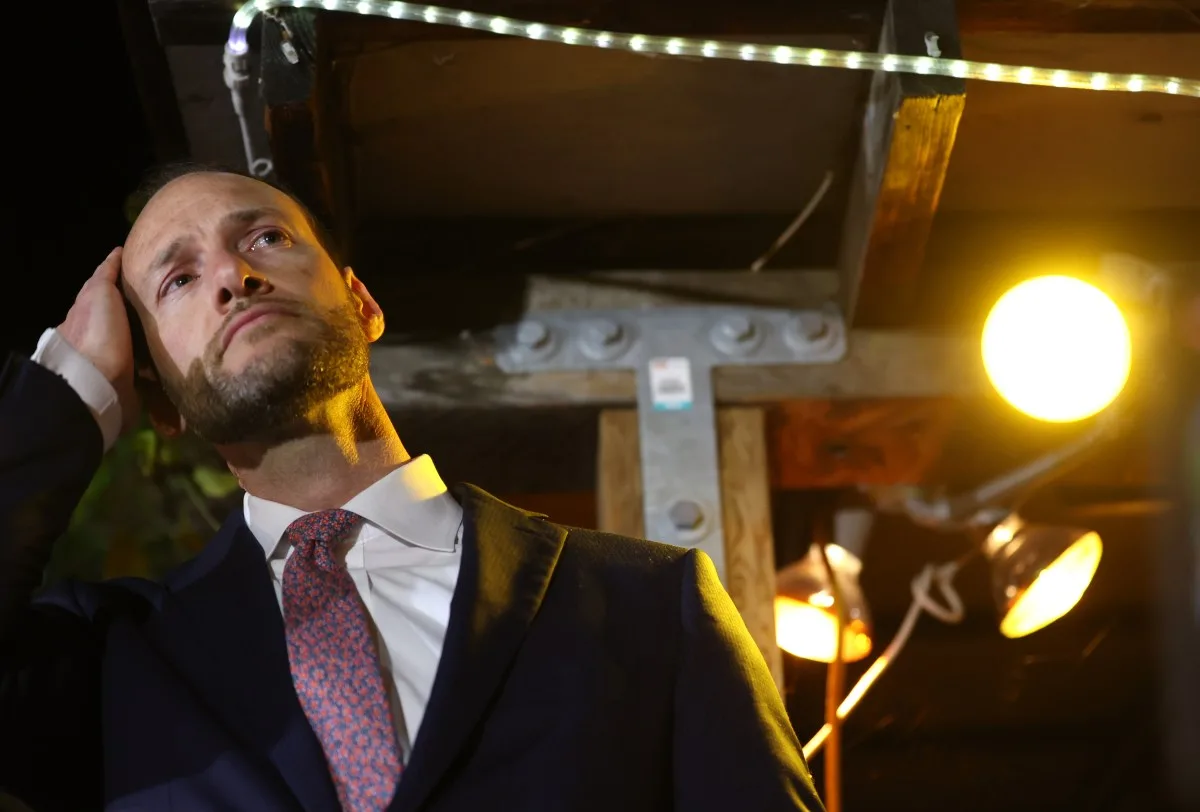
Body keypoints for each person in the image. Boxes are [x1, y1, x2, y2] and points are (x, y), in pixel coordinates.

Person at [0, 166, 823, 812]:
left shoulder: (649, 601)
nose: (232, 276)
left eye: (266, 238)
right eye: (177, 280)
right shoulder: (111, 665)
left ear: (361, 301)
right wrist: (65, 395)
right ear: (161, 400)